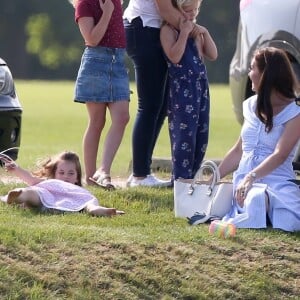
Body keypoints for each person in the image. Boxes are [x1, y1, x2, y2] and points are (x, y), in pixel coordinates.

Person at [217, 47, 300, 232]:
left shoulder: (295, 113)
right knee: (252, 198)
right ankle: (253, 216)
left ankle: (248, 218)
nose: (249, 73)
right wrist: (214, 176)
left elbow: (280, 154)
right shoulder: (250, 106)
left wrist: (251, 177)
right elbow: (239, 150)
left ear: (266, 75)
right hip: (245, 184)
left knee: (275, 212)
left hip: (277, 183)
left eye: (253, 68)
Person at [123, 1, 203, 187]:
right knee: (149, 106)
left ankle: (143, 171)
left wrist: (190, 26)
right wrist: (192, 29)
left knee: (159, 107)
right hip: (143, 28)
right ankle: (139, 175)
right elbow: (165, 9)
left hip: (153, 29)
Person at [72, 0, 130, 188]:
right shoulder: (84, 4)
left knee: (122, 117)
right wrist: (107, 13)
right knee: (97, 121)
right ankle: (90, 178)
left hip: (118, 62)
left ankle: (103, 170)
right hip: (96, 62)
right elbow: (92, 39)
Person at [160, 0, 217, 180]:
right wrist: (184, 33)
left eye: (195, 10)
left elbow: (213, 54)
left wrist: (205, 33)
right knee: (184, 135)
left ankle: (192, 175)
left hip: (200, 88)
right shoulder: (168, 31)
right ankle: (180, 178)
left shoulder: (196, 33)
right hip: (182, 89)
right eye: (187, 11)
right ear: (177, 10)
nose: (192, 15)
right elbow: (175, 57)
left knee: (201, 134)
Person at [0, 151, 124, 216]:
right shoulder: (51, 183)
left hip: (73, 200)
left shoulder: (78, 191)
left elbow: (86, 196)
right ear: (54, 173)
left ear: (77, 177)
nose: (65, 176)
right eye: (62, 172)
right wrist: (17, 169)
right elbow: (31, 179)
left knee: (90, 201)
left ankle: (97, 210)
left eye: (71, 173)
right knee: (32, 192)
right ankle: (18, 196)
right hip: (47, 196)